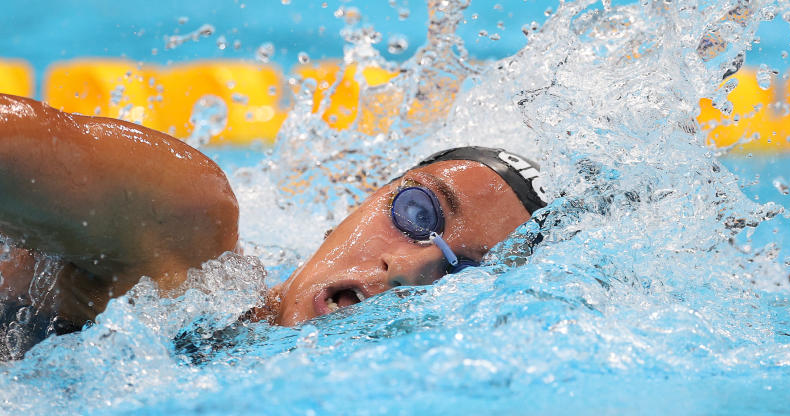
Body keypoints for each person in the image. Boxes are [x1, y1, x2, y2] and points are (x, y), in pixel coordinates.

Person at [0, 93, 547, 355]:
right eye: (418, 215)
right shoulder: (182, 232)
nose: (405, 266)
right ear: (359, 201)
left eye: (463, 276)